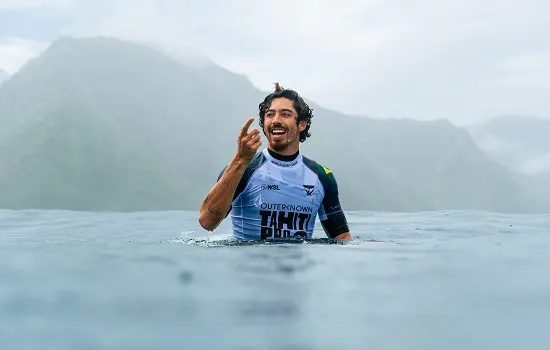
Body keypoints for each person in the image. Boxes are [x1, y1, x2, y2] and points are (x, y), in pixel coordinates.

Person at [198, 82, 352, 241]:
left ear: (302, 124)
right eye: (270, 114)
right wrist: (240, 160)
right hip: (249, 264)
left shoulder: (322, 176)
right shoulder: (243, 169)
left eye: (285, 114)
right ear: (263, 124)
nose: (276, 120)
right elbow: (207, 221)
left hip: (300, 266)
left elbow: (342, 238)